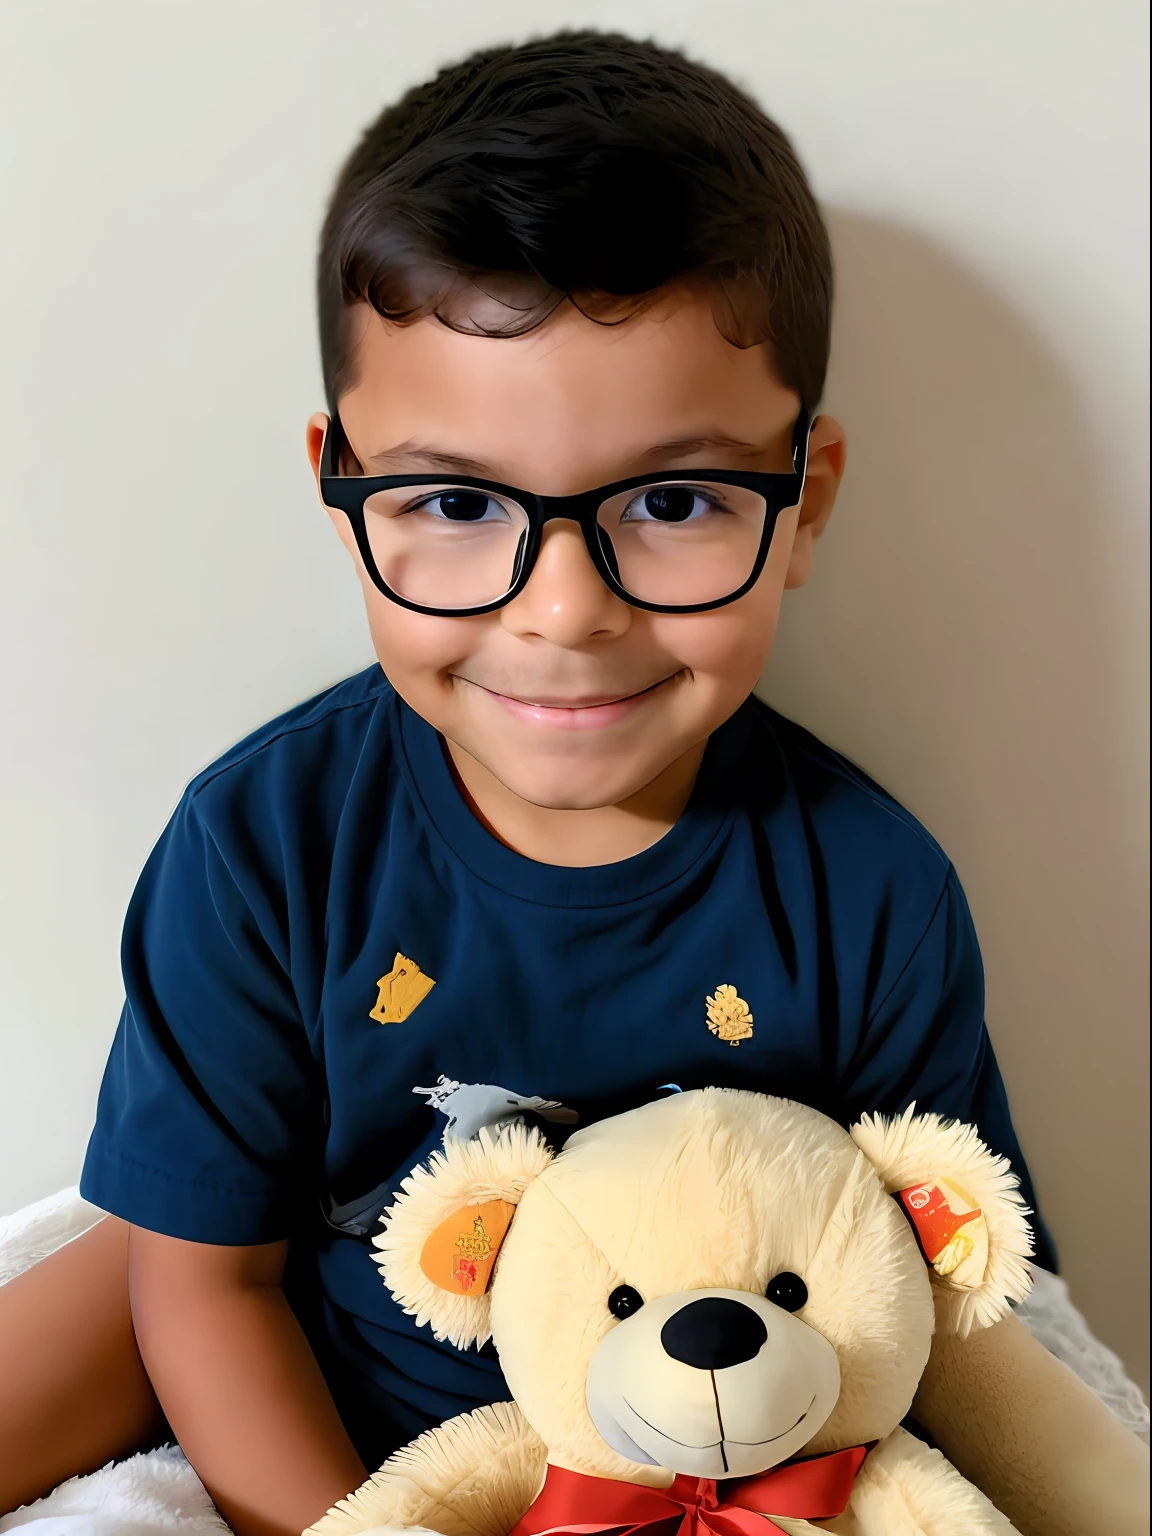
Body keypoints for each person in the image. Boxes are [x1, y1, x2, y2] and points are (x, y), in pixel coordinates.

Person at [0, 29, 1145, 1536]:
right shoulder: (263, 844)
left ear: (803, 505)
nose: (563, 612)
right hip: (343, 1426)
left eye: (673, 501)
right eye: (460, 502)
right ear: (345, 500)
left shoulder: (869, 891)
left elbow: (956, 1294)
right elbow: (202, 1288)